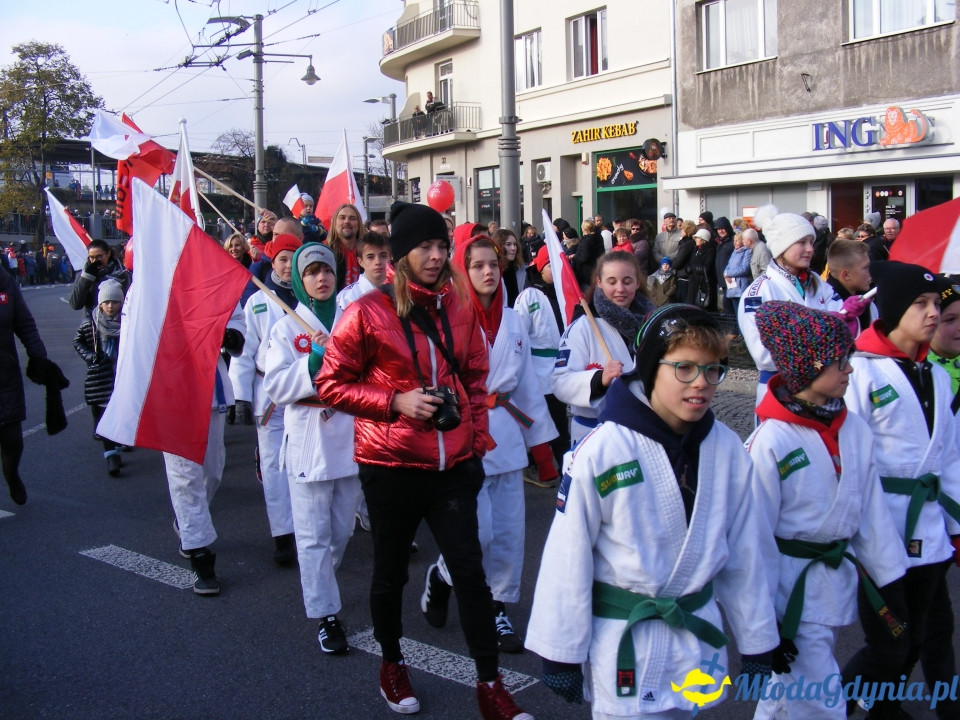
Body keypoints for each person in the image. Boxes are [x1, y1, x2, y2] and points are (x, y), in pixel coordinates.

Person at [315, 202, 533, 719]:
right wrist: (394, 402)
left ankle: (489, 683)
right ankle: (392, 664)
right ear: (399, 256)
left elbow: (475, 381)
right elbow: (330, 383)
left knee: (471, 573)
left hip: (453, 465)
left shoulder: (458, 307)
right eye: (424, 248)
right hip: (390, 465)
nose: (436, 257)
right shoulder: (366, 313)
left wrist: (476, 444)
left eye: (441, 247)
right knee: (391, 573)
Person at [526, 305, 780, 719]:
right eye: (684, 369)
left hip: (692, 642)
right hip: (627, 641)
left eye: (713, 370)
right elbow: (566, 553)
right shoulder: (605, 450)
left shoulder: (727, 448)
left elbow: (746, 552)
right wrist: (561, 653)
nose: (701, 383)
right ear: (649, 369)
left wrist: (758, 638)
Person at [748, 301, 908, 720]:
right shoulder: (772, 442)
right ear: (808, 367)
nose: (849, 371)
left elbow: (870, 508)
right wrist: (761, 627)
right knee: (820, 700)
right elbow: (754, 535)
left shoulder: (851, 427)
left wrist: (889, 581)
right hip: (790, 592)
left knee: (786, 695)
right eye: (840, 362)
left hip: (833, 580)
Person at [421, 230, 557, 656]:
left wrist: (543, 450)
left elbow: (529, 386)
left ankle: (496, 607)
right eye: (477, 265)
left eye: (493, 265)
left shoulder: (514, 320)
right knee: (475, 535)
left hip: (509, 438)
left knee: (508, 535)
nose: (487, 272)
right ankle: (442, 577)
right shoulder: (448, 316)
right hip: (466, 432)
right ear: (462, 269)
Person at [841, 261, 960, 719]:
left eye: (937, 304)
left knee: (912, 640)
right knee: (889, 644)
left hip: (928, 534)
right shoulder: (861, 374)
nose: (933, 313)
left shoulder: (935, 376)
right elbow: (850, 460)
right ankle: (828, 709)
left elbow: (946, 459)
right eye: (921, 304)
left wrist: (955, 527)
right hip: (881, 530)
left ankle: (879, 711)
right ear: (892, 309)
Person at [263, 243, 361, 655]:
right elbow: (276, 386)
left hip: (350, 437)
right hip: (308, 441)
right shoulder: (286, 328)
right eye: (312, 272)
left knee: (342, 529)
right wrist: (313, 361)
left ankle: (320, 580)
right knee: (313, 536)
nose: (321, 279)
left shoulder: (352, 320)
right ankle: (325, 615)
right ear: (300, 281)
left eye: (327, 271)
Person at [229, 233, 301, 566]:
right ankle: (283, 533)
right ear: (272, 261)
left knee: (303, 463)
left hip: (304, 394)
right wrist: (240, 397)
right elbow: (243, 353)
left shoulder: (312, 298)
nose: (288, 266)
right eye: (282, 259)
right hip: (269, 395)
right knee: (274, 466)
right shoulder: (258, 302)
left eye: (293, 258)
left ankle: (307, 527)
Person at [166, 303, 245, 596]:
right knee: (184, 475)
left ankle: (185, 520)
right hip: (169, 387)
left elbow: (236, 317)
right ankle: (200, 554)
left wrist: (231, 335)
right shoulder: (150, 280)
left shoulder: (210, 276)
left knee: (212, 471)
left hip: (209, 385)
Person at [738, 212, 853, 405]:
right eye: (802, 242)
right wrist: (825, 339)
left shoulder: (818, 283)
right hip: (779, 393)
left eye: (811, 242)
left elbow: (844, 336)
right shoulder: (759, 293)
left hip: (823, 393)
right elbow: (764, 355)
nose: (810, 249)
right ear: (781, 247)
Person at [552, 251, 655, 447]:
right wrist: (600, 379)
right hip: (594, 436)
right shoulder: (584, 327)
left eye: (627, 281)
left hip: (643, 434)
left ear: (637, 283)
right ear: (599, 282)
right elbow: (560, 382)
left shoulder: (652, 325)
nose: (620, 289)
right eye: (612, 281)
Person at [919, 276, 960, 720]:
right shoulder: (921, 375)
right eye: (950, 319)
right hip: (931, 515)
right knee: (926, 626)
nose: (957, 327)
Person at [0, 267, 65, 505]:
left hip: (4, 376)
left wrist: (40, 358)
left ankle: (11, 474)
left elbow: (25, 324)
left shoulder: (5, 282)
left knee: (12, 440)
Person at [514, 245, 569, 486]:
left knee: (557, 420)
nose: (555, 271)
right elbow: (520, 333)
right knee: (549, 420)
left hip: (563, 365)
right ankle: (556, 465)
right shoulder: (529, 296)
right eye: (550, 266)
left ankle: (559, 464)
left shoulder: (564, 292)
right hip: (539, 369)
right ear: (541, 266)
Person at [73, 279, 126, 476]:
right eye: (106, 302)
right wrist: (91, 356)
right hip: (100, 376)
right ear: (100, 303)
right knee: (104, 413)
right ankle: (110, 454)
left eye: (114, 302)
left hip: (121, 374)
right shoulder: (91, 323)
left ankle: (118, 446)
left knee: (119, 413)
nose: (110, 306)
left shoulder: (128, 322)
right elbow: (78, 342)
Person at [825, 239, 877, 335]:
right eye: (865, 268)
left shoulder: (868, 303)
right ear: (846, 275)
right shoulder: (826, 307)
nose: (870, 272)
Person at [68, 240, 130, 318]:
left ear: (108, 254)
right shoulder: (83, 276)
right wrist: (87, 278)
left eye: (99, 256)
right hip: (92, 324)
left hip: (118, 323)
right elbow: (75, 305)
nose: (95, 261)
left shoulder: (123, 274)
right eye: (92, 257)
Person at [337, 230, 391, 312]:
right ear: (360, 261)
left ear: (390, 258)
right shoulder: (347, 298)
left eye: (383, 256)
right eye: (370, 257)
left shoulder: (401, 293)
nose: (378, 262)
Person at [326, 203, 364, 292]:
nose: (347, 221)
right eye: (342, 217)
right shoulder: (326, 254)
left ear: (359, 224)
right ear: (335, 223)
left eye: (352, 218)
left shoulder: (368, 254)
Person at [722, 232, 751, 331]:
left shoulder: (746, 252)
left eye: (737, 240)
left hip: (741, 285)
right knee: (736, 311)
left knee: (742, 311)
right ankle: (738, 332)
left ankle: (743, 333)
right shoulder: (734, 252)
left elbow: (744, 268)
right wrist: (726, 273)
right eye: (734, 241)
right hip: (732, 286)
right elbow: (728, 266)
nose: (734, 243)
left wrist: (729, 273)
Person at [685, 228, 717, 310]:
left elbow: (706, 268)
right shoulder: (696, 249)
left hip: (702, 284)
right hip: (693, 282)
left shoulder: (710, 250)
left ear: (704, 240)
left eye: (698, 238)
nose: (695, 239)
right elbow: (691, 262)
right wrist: (688, 268)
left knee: (701, 306)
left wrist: (693, 268)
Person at [493, 228, 525, 307]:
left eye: (514, 244)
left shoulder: (522, 270)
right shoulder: (494, 271)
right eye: (508, 244)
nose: (513, 248)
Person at [573, 219, 605, 290]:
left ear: (584, 229)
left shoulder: (586, 241)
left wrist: (574, 257)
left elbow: (584, 257)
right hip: (596, 270)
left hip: (586, 274)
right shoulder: (599, 238)